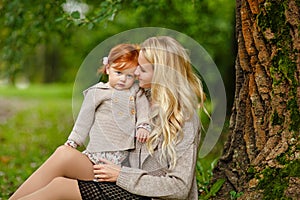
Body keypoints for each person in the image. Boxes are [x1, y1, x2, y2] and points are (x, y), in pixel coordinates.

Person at [10, 36, 206, 200]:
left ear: (163, 75)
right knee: (64, 154)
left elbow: (180, 188)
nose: (135, 73)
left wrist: (122, 175)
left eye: (143, 69)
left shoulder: (184, 118)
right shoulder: (140, 97)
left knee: (60, 187)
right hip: (121, 176)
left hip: (147, 195)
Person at [9, 43, 151, 199]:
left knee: (62, 168)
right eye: (118, 72)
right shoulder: (98, 92)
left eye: (129, 75)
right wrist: (73, 141)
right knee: (63, 152)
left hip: (121, 165)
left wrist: (143, 126)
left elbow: (144, 110)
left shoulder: (136, 93)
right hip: (95, 159)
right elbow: (83, 121)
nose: (123, 79)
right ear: (108, 68)